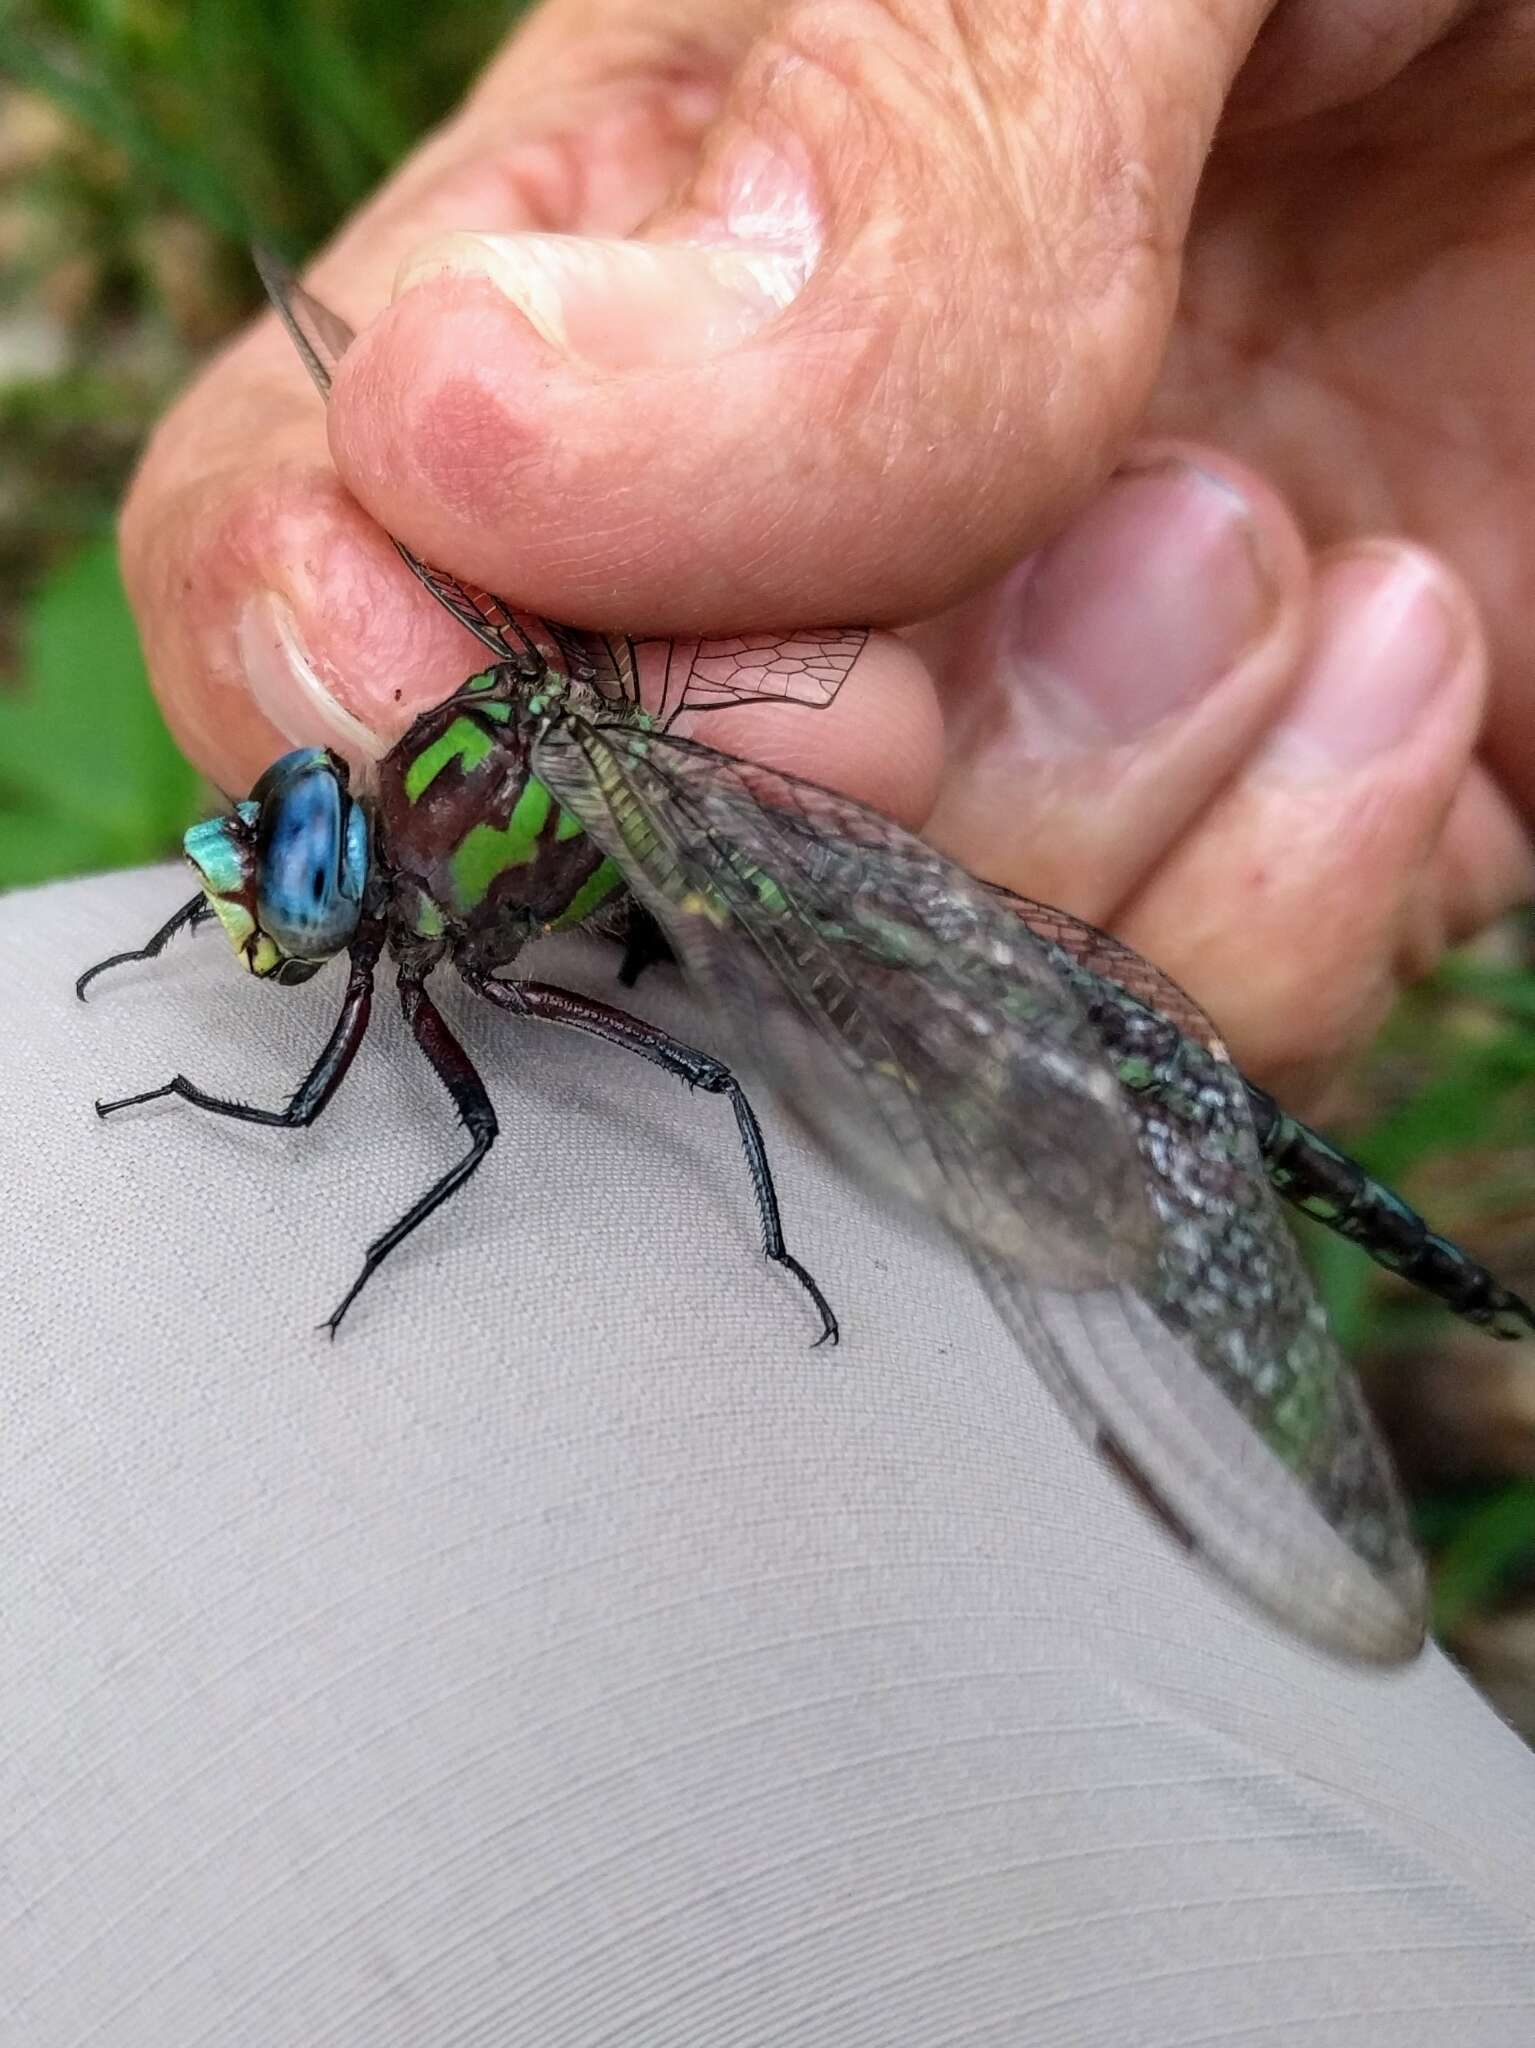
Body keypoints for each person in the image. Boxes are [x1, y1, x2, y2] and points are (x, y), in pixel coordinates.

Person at [4, 2, 1534, 2039]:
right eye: (286, 843)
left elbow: (444, 1130)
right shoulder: (430, 799)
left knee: (855, 1115)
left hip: (896, 909)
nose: (272, 860)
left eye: (290, 862)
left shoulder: (478, 856)